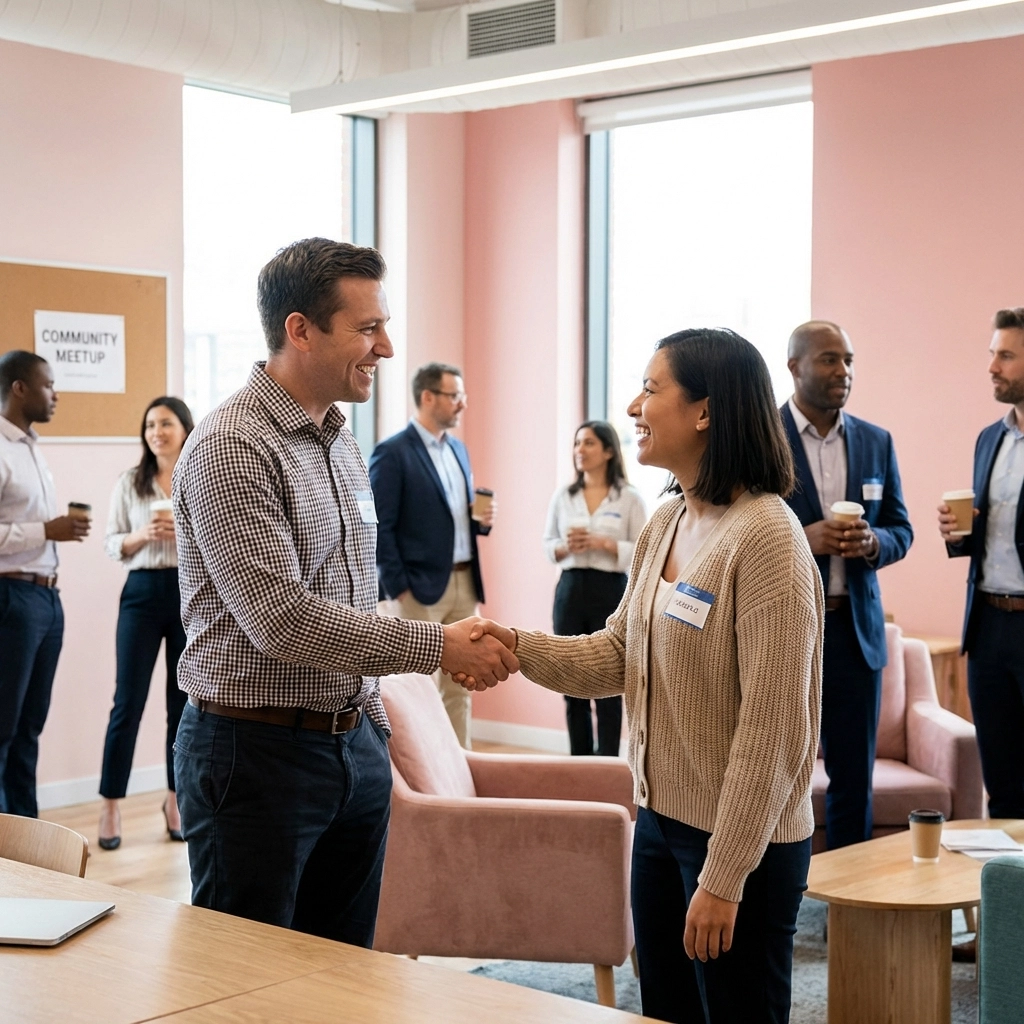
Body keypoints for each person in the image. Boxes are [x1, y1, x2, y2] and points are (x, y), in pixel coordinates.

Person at [464, 328, 823, 1024]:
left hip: (741, 843)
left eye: (651, 389)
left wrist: (724, 876)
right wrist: (514, 646)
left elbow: (774, 733)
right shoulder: (666, 522)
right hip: (659, 825)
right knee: (663, 1008)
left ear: (705, 412)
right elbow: (617, 655)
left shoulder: (768, 539)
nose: (633, 405)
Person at [172, 238, 517, 947]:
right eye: (368, 328)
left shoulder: (340, 439)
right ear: (300, 330)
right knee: (248, 984)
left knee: (344, 977)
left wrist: (372, 733)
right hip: (254, 755)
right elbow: (284, 622)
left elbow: (355, 594)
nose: (386, 347)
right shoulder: (231, 446)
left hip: (350, 745)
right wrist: (436, 645)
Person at [780, 321, 913, 850]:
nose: (844, 372)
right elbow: (731, 526)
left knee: (854, 780)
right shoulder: (762, 437)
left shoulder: (876, 441)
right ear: (795, 367)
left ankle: (849, 887)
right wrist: (804, 538)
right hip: (786, 632)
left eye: (849, 360)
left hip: (856, 636)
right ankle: (777, 888)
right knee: (776, 773)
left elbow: (901, 528)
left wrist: (874, 543)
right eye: (830, 359)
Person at [369, 362, 496, 749]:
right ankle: (420, 771)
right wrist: (399, 588)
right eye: (454, 395)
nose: (462, 404)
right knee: (417, 687)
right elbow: (380, 527)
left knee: (462, 685)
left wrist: (480, 521)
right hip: (417, 590)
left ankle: (462, 766)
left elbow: (452, 517)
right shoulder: (392, 453)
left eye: (462, 395)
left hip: (464, 582)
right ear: (427, 397)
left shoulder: (458, 449)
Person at [97, 396, 194, 850]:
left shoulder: (199, 475)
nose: (157, 432)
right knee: (127, 703)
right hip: (139, 593)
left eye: (166, 423)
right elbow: (111, 542)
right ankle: (110, 805)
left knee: (181, 705)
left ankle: (175, 801)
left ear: (185, 428)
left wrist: (183, 534)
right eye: (150, 424)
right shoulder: (129, 482)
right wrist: (142, 535)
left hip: (187, 594)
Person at [938, 307, 1024, 819]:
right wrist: (958, 535)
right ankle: (1009, 873)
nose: (992, 366)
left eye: (1006, 356)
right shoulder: (989, 438)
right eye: (993, 354)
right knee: (1003, 783)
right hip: (988, 627)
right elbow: (992, 534)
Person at [0, 350, 91, 817]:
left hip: (45, 599)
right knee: (3, 730)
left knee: (28, 730)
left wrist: (57, 532)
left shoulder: (32, 447)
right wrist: (45, 530)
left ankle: (25, 842)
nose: (56, 394)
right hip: (11, 599)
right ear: (20, 388)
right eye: (48, 384)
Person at [543, 420, 647, 756]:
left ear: (608, 451)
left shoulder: (629, 498)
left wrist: (605, 543)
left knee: (609, 683)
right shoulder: (564, 495)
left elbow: (644, 551)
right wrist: (566, 548)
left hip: (611, 591)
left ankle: (607, 765)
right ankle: (579, 762)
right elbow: (548, 545)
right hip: (570, 589)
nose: (580, 450)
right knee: (569, 678)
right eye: (577, 443)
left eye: (588, 443)